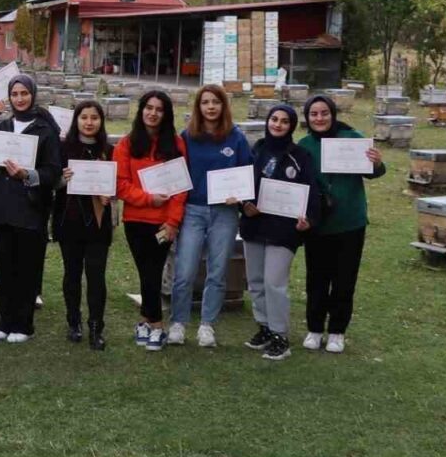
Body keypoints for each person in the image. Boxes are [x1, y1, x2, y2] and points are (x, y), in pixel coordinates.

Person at [297, 94, 386, 354]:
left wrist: (376, 163)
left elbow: (374, 172)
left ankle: (337, 331)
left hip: (350, 222)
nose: (319, 118)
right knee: (316, 278)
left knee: (344, 279)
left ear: (332, 114)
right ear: (307, 118)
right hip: (318, 224)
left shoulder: (352, 138)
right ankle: (315, 328)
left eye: (324, 113)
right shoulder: (304, 145)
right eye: (314, 114)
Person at [169, 84, 253, 348]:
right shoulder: (187, 136)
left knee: (217, 271)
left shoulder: (236, 138)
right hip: (193, 211)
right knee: (185, 270)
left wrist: (240, 196)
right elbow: (176, 172)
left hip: (224, 213)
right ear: (198, 106)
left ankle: (207, 325)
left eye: (216, 102)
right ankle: (178, 323)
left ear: (223, 106)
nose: (211, 107)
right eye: (205, 102)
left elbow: (247, 174)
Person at [240, 104, 321, 361]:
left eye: (284, 121)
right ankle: (264, 327)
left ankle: (280, 336)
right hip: (254, 225)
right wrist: (244, 205)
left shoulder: (300, 156)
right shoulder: (256, 150)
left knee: (274, 282)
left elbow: (312, 192)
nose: (278, 124)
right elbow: (243, 184)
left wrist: (309, 219)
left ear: (292, 126)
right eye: (274, 119)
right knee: (255, 281)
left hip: (283, 230)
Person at [0, 75, 61, 344]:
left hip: (31, 208)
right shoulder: (4, 125)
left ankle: (23, 324)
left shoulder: (45, 129)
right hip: (4, 206)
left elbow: (53, 171)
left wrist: (27, 175)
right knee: (4, 267)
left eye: (24, 93)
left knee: (27, 268)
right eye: (15, 94)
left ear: (33, 95)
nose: (19, 99)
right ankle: (5, 321)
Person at [114, 90, 187, 352]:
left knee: (152, 273)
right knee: (146, 272)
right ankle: (146, 322)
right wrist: (148, 199)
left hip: (163, 223)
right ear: (141, 110)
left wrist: (173, 222)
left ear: (166, 114)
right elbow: (121, 185)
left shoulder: (176, 144)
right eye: (149, 107)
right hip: (135, 221)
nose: (153, 113)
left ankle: (156, 325)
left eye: (159, 109)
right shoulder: (127, 144)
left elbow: (181, 188)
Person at [54, 100, 114, 351]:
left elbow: (117, 184)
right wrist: (61, 179)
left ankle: (96, 327)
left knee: (96, 275)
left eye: (94, 118)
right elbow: (51, 182)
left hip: (98, 223)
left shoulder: (108, 150)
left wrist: (110, 195)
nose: (89, 122)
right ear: (76, 120)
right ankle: (74, 322)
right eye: (84, 117)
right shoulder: (63, 148)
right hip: (69, 220)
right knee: (72, 273)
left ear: (101, 121)